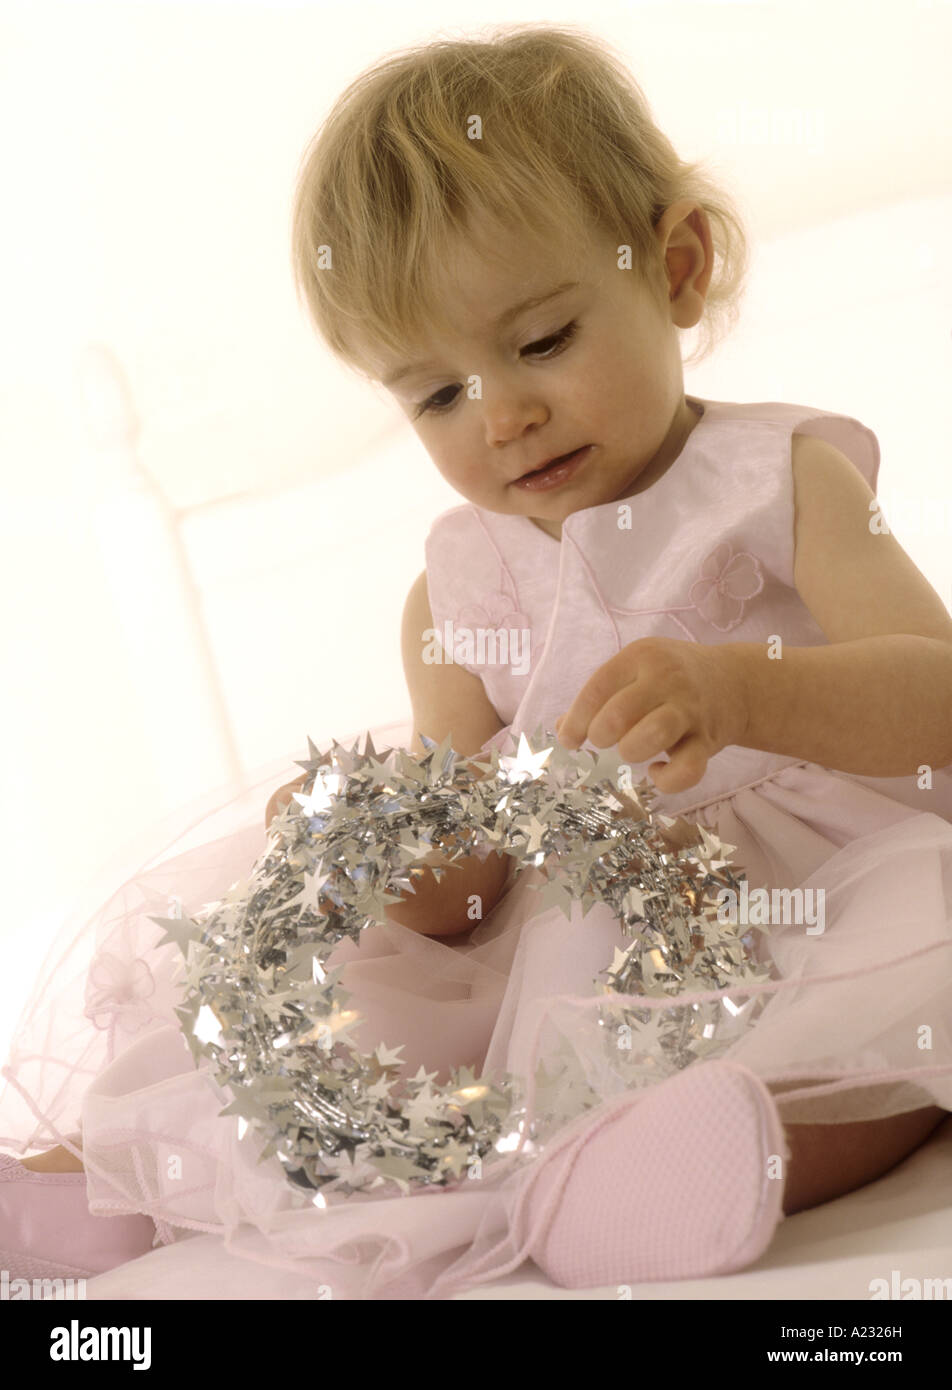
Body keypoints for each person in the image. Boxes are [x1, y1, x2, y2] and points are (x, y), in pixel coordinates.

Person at [2, 24, 951, 1300]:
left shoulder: (784, 482)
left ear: (673, 268)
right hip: (563, 946)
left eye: (543, 341)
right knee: (363, 1035)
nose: (500, 416)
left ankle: (695, 1167)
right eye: (434, 395)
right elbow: (466, 885)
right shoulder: (452, 590)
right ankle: (130, 1184)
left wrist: (744, 691)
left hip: (808, 900)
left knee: (881, 1032)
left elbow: (937, 696)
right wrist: (378, 852)